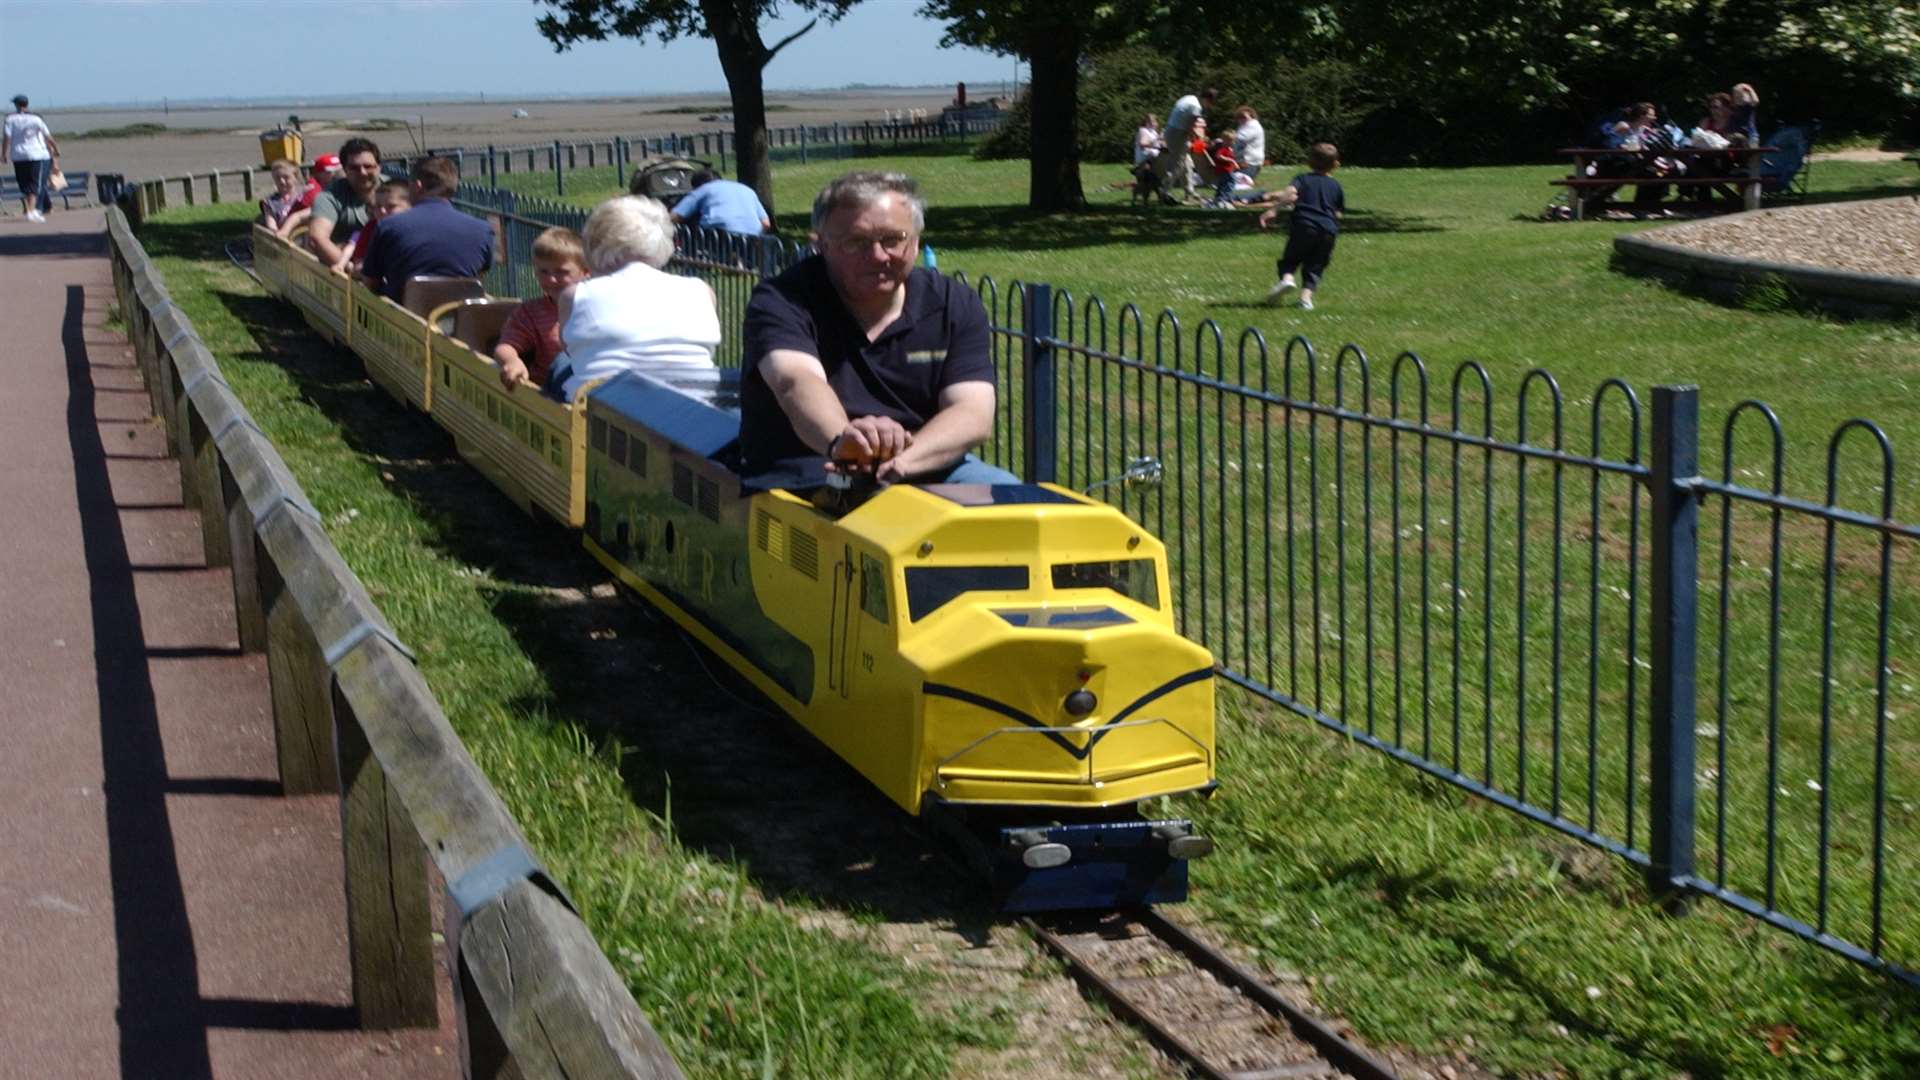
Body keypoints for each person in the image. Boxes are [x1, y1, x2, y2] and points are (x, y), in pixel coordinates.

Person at [739, 170, 1018, 488]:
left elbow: (972, 412)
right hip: (816, 464)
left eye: (892, 240)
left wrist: (902, 463)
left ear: (915, 242)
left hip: (922, 460)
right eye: (855, 243)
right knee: (859, 512)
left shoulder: (953, 304)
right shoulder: (782, 300)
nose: (877, 256)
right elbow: (795, 381)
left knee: (1010, 498)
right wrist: (845, 443)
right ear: (821, 245)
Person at [553, 195, 720, 402]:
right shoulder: (702, 290)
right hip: (694, 411)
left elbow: (570, 350)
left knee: (560, 364)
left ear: (595, 242)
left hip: (606, 413)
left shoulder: (575, 295)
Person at [359, 155, 493, 302]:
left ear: (418, 186)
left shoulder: (388, 226)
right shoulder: (483, 230)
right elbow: (477, 279)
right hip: (462, 318)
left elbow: (370, 284)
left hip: (403, 316)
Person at [495, 226, 589, 391]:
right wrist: (512, 361)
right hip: (550, 392)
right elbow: (506, 346)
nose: (551, 279)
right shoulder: (530, 312)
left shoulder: (598, 307)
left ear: (585, 272)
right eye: (543, 272)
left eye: (561, 272)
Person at [1258, 142, 1344, 311]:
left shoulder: (1302, 179)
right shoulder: (1336, 186)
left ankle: (1287, 279)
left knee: (1291, 259)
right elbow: (1338, 213)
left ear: (1309, 162)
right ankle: (1305, 300)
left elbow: (1290, 195)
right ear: (1335, 165)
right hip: (1328, 230)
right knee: (1315, 265)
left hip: (1304, 225)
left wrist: (1273, 210)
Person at [308, 138, 383, 267]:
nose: (363, 172)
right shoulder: (329, 197)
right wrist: (351, 271)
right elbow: (317, 238)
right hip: (348, 268)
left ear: (379, 167)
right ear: (345, 170)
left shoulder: (397, 190)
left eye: (368, 166)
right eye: (354, 168)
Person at [1154, 87, 1217, 202]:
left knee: (1187, 162)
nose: (1208, 106)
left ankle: (1190, 191)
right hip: (1178, 133)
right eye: (1210, 103)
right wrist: (1196, 137)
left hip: (1170, 130)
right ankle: (1164, 191)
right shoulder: (1196, 107)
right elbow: (1190, 126)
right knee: (1176, 164)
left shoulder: (1189, 98)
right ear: (1207, 99)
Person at [335, 178, 411, 274]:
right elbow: (358, 263)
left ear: (411, 206)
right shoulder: (370, 229)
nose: (382, 211)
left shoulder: (416, 230)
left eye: (391, 206)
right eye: (378, 206)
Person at [669, 168, 773, 238]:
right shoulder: (747, 189)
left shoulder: (703, 189)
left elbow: (676, 215)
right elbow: (766, 223)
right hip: (753, 235)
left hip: (719, 235)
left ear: (697, 185)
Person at [4, 94, 58, 223]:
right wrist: (55, 149)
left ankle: (31, 209)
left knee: (24, 182)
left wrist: (3, 154)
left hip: (18, 155)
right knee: (34, 183)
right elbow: (48, 136)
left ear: (16, 105)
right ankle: (32, 210)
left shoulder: (10, 119)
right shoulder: (36, 119)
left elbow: (7, 138)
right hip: (36, 154)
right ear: (27, 104)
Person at [258, 159, 304, 231]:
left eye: (286, 177)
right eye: (277, 178)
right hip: (282, 237)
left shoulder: (305, 196)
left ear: (296, 178)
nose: (282, 181)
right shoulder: (270, 203)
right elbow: (271, 225)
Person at [1231, 106, 1266, 183]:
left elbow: (1238, 143)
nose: (1242, 119)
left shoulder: (1252, 126)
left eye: (1244, 117)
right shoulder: (1244, 126)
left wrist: (1240, 160)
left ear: (1251, 116)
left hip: (1249, 163)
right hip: (1248, 162)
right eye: (1239, 117)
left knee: (1234, 180)